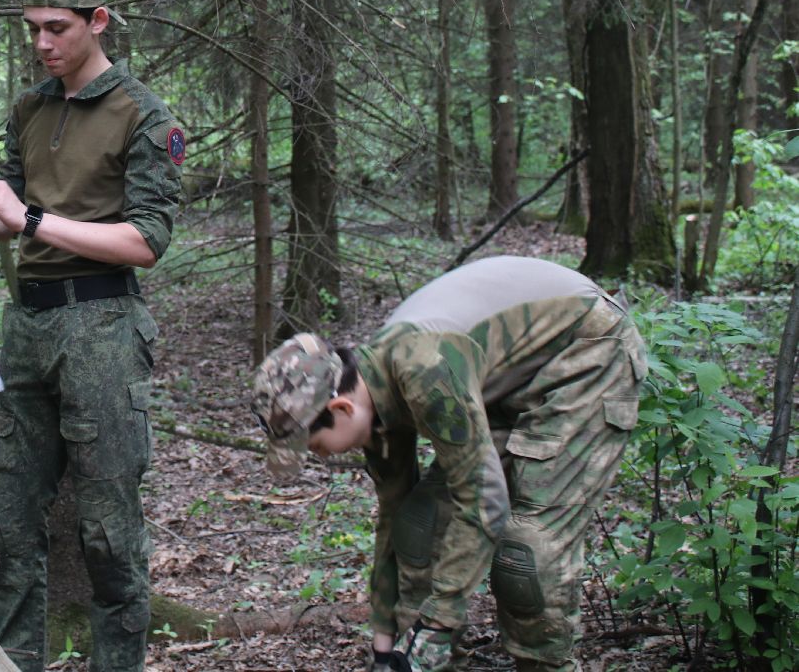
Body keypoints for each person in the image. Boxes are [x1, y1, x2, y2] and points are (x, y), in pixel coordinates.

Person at [250, 256, 649, 672]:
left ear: (341, 407)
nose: (320, 455)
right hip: (509, 375)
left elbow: (484, 502)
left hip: (587, 354)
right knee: (418, 523)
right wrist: (386, 639)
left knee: (526, 553)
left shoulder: (425, 370)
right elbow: (393, 515)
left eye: (315, 443)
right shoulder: (375, 398)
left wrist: (437, 623)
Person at [0, 0, 185, 672]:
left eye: (56, 28)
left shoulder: (143, 115)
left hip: (103, 330)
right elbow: (8, 221)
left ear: (98, 21)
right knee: (8, 523)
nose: (42, 43)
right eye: (32, 29)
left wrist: (27, 218)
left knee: (107, 533)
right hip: (26, 328)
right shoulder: (31, 108)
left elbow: (145, 241)